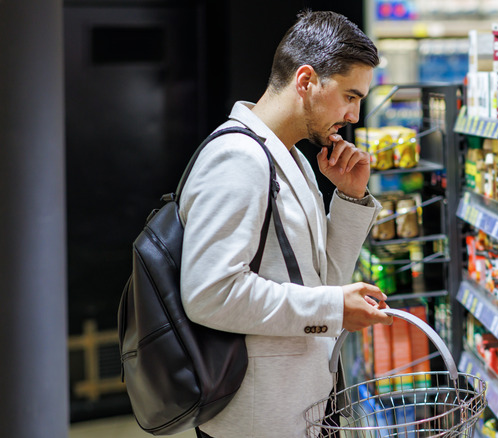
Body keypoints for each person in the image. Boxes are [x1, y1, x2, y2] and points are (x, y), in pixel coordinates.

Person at [178, 10, 394, 437]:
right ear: (307, 80)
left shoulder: (291, 156)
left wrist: (349, 198)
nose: (354, 115)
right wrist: (332, 309)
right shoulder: (238, 159)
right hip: (258, 418)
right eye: (350, 96)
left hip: (299, 406)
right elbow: (209, 293)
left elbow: (321, 281)